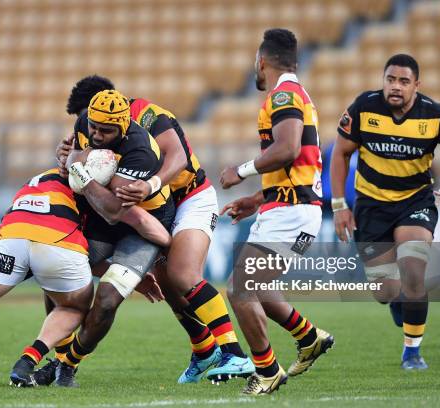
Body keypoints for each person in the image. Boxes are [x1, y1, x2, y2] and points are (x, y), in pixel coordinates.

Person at [0, 167, 170, 390]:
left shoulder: (41, 176)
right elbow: (135, 226)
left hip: (10, 238)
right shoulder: (92, 188)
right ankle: (28, 360)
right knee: (73, 307)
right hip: (59, 244)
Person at [53, 75, 252, 384]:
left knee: (182, 274)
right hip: (147, 209)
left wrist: (150, 183)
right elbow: (79, 162)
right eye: (87, 123)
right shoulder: (88, 129)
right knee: (166, 286)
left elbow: (179, 157)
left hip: (188, 196)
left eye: (97, 125)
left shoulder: (147, 117)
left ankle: (234, 352)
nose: (91, 133)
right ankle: (203, 349)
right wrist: (69, 157)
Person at [331, 53, 440, 370]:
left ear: (416, 85)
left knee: (413, 270)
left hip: (415, 202)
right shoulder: (363, 107)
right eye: (390, 79)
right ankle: (401, 302)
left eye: (403, 81)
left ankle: (412, 352)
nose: (395, 87)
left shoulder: (435, 115)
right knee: (385, 290)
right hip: (371, 206)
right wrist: (340, 205)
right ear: (383, 80)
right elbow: (340, 153)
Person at [36, 89, 177, 387]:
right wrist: (68, 160)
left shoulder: (141, 150)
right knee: (59, 272)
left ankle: (68, 365)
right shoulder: (86, 121)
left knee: (109, 299)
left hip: (141, 225)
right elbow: (70, 163)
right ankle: (59, 356)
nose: (97, 135)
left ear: (124, 126)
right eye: (94, 128)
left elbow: (114, 209)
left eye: (106, 130)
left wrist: (79, 170)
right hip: (101, 220)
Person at [219, 29, 334, 395]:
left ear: (262, 61)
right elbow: (296, 162)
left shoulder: (284, 94)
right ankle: (309, 336)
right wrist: (258, 198)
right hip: (289, 207)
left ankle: (267, 371)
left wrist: (241, 171)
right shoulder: (294, 93)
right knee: (256, 287)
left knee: (240, 289)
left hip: (293, 212)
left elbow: (287, 148)